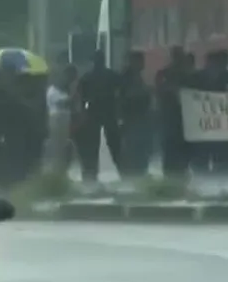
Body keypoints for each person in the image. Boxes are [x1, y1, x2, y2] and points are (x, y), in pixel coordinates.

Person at [75, 51, 121, 184]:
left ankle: (91, 174)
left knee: (92, 146)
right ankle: (122, 171)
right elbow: (120, 92)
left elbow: (81, 97)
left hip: (95, 112)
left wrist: (83, 112)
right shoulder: (111, 75)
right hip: (107, 112)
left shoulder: (88, 76)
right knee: (113, 144)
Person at [156, 47, 190, 179]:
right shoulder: (163, 74)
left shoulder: (188, 76)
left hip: (184, 119)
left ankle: (181, 172)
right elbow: (160, 91)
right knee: (170, 148)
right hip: (169, 117)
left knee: (182, 149)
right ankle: (169, 174)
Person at [120, 51, 153, 178]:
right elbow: (125, 97)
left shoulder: (137, 76)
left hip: (140, 118)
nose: (142, 64)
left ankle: (140, 172)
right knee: (133, 147)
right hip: (131, 119)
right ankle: (133, 173)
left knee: (141, 147)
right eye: (140, 61)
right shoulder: (126, 77)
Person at [46, 65, 78, 176]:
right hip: (57, 119)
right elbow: (63, 103)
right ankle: (57, 172)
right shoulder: (52, 91)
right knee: (57, 147)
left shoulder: (63, 91)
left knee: (64, 147)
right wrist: (73, 94)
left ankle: (62, 171)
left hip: (64, 119)